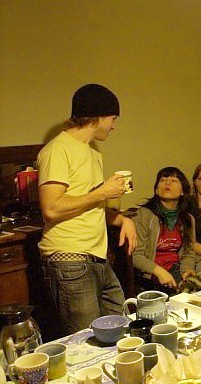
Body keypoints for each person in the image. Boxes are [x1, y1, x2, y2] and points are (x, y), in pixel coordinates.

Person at [37, 83, 137, 336]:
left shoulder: (92, 152)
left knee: (121, 327)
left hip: (98, 257)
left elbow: (88, 204)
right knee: (85, 341)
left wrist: (122, 220)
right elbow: (51, 208)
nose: (114, 125)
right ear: (100, 116)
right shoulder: (57, 150)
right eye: (113, 118)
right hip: (69, 260)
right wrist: (103, 192)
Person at [132, 167, 196, 294]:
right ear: (156, 190)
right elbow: (135, 256)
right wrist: (158, 271)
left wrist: (187, 269)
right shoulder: (144, 215)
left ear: (182, 191)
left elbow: (189, 253)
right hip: (150, 276)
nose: (167, 183)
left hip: (176, 270)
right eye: (162, 180)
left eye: (173, 180)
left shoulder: (188, 219)